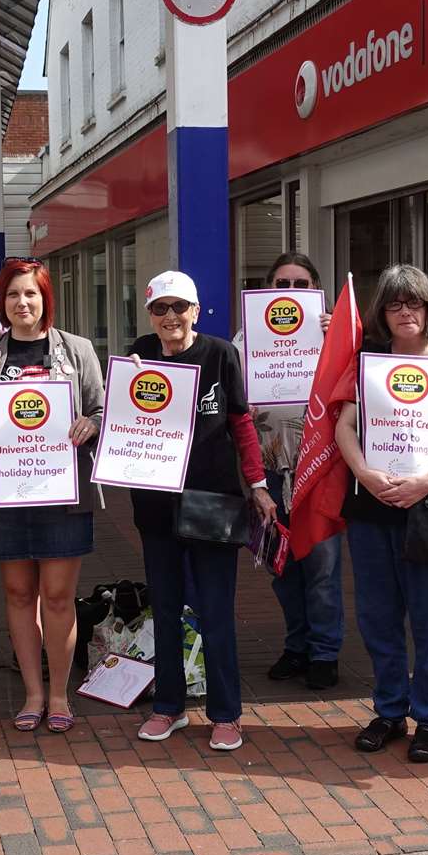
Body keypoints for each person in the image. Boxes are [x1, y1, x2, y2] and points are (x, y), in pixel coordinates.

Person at [335, 265, 428, 764]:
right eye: (395, 304)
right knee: (378, 617)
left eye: (414, 303)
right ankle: (390, 711)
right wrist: (365, 473)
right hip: (372, 506)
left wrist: (427, 480)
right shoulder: (366, 362)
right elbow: (344, 427)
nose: (405, 312)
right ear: (381, 312)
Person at [0, 257, 102, 735]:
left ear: (45, 299)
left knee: (58, 598)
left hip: (62, 497)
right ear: (2, 302)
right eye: (14, 294)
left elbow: (102, 410)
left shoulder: (77, 352)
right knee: (19, 594)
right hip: (7, 495)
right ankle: (32, 694)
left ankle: (59, 693)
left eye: (31, 294)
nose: (22, 302)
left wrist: (91, 423)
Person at [128, 271, 274, 753]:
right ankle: (168, 707)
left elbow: (241, 422)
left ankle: (226, 714)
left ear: (196, 310)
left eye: (179, 307)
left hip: (212, 499)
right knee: (165, 609)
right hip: (156, 503)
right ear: (150, 313)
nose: (170, 317)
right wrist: (126, 385)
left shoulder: (219, 353)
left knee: (215, 611)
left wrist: (257, 484)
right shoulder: (140, 354)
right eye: (160, 308)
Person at [243, 253, 345, 691]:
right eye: (282, 281)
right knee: (282, 564)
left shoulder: (336, 337)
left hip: (318, 466)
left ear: (315, 288)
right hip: (269, 471)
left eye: (301, 283)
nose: (291, 289)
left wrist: (335, 339)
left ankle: (324, 652)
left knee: (321, 565)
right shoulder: (244, 336)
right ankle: (296, 645)